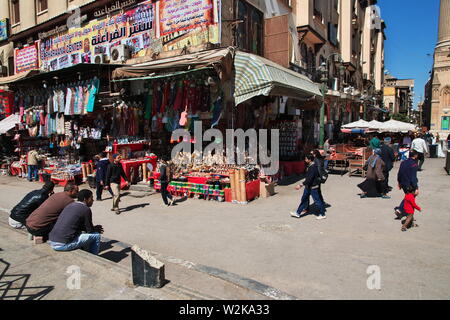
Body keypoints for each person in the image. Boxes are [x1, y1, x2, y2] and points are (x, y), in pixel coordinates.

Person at [49, 189, 104, 255]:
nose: (93, 200)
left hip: (52, 240)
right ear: (85, 199)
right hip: (62, 245)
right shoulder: (86, 209)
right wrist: (96, 229)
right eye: (91, 198)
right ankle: (94, 257)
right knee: (96, 235)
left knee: (80, 232)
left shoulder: (70, 205)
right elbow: (90, 230)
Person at [290, 154, 326, 220]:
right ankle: (298, 213)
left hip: (313, 187)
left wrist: (300, 185)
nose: (305, 160)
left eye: (306, 159)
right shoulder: (311, 166)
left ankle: (322, 214)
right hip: (308, 186)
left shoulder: (313, 167)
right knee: (304, 199)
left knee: (317, 201)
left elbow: (309, 179)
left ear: (310, 160)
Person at [395, 151, 419, 217]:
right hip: (409, 184)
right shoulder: (414, 164)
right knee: (410, 197)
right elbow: (413, 177)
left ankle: (403, 210)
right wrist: (416, 187)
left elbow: (399, 173)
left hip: (403, 183)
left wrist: (399, 182)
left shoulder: (403, 162)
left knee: (408, 196)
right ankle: (401, 209)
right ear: (415, 156)